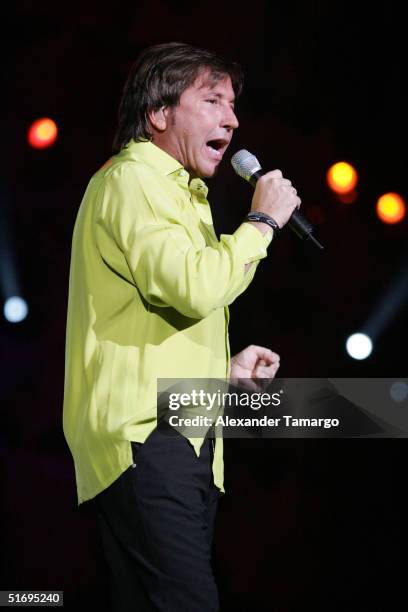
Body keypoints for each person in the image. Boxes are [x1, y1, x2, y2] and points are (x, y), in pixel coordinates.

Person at [63, 42, 301, 612]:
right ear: (160, 113)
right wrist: (262, 221)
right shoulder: (132, 180)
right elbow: (194, 286)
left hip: (183, 431)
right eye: (213, 99)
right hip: (148, 434)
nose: (233, 118)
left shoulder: (181, 193)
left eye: (234, 103)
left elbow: (157, 315)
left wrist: (221, 369)